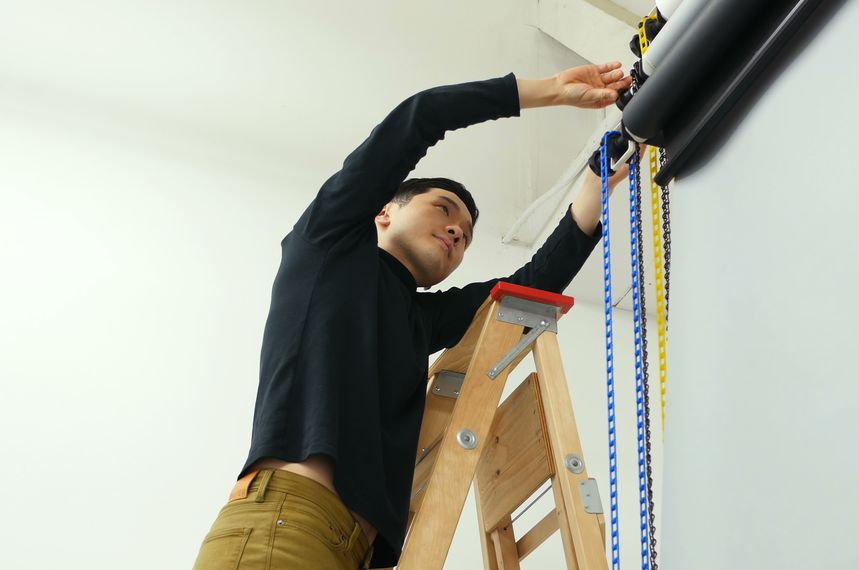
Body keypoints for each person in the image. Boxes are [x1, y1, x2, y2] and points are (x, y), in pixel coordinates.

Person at [193, 62, 633, 570]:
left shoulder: (419, 318)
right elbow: (421, 116)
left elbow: (530, 287)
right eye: (444, 210)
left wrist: (599, 183)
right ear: (384, 212)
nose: (456, 232)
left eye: (466, 235)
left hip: (353, 550)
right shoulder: (327, 245)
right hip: (288, 525)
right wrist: (552, 91)